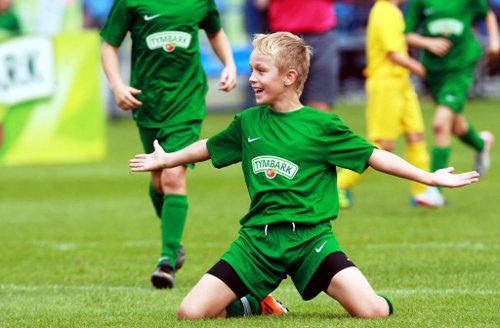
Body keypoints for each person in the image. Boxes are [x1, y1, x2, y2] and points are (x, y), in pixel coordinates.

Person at [129, 32, 479, 320]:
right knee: (190, 313)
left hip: (311, 240)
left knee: (371, 311)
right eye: (251, 70)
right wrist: (167, 158)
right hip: (257, 243)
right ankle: (256, 304)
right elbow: (208, 146)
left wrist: (428, 177)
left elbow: (375, 156)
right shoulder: (248, 122)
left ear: (289, 77)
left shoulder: (322, 126)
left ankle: (366, 297)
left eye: (260, 71)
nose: (251, 78)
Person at [100, 0, 237, 289]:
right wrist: (117, 85)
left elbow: (215, 31)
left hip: (187, 102)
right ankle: (174, 241)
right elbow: (109, 45)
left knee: (173, 175)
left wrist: (229, 64)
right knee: (159, 180)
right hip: (148, 102)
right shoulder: (131, 3)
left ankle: (166, 260)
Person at [337, 0, 443, 209]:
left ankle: (422, 193)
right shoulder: (383, 11)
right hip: (385, 83)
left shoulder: (393, 11)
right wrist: (421, 68)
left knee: (416, 136)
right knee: (383, 144)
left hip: (401, 82)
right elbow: (393, 54)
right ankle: (340, 185)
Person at [404, 0, 499, 201]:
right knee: (455, 126)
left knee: (440, 124)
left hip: (461, 67)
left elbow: (487, 14)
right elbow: (407, 34)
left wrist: (495, 41)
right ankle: (481, 144)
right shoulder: (420, 2)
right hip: (435, 71)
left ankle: (435, 193)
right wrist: (427, 42)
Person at [257, 0, 339, 112]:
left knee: (320, 102)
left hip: (321, 35)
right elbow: (261, 3)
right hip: (284, 40)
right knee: (283, 104)